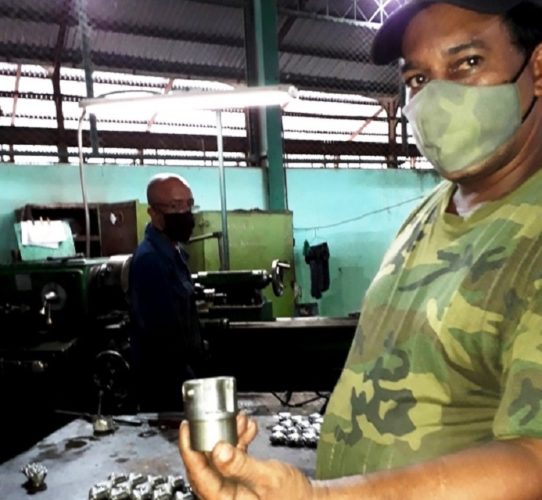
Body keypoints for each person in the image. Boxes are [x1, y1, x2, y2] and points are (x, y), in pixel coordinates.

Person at [178, 0, 542, 497]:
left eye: (467, 63)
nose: (436, 97)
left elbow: (535, 458)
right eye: (417, 79)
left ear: (536, 68)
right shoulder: (430, 210)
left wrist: (322, 497)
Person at [129, 173, 203, 411]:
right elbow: (163, 339)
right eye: (175, 206)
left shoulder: (174, 253)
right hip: (165, 388)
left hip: (182, 380)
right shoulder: (150, 260)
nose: (184, 212)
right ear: (153, 212)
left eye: (188, 204)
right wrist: (190, 386)